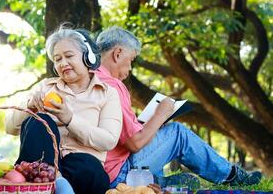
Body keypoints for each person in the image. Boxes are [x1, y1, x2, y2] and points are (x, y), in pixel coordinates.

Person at [94, 26, 262, 189]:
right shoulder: (112, 86)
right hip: (118, 174)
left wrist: (152, 124)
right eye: (131, 60)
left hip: (99, 171)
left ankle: (158, 182)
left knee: (156, 134)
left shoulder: (90, 78)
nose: (130, 68)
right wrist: (161, 113)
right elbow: (135, 143)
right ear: (117, 54)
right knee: (177, 133)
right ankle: (231, 176)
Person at [5, 24, 122, 194]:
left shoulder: (107, 93)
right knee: (39, 121)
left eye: (68, 56)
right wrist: (29, 106)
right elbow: (9, 128)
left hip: (82, 169)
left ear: (87, 56)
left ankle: (58, 184)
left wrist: (70, 119)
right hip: (42, 166)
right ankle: (57, 180)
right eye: (57, 59)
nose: (63, 63)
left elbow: (108, 141)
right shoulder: (45, 87)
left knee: (88, 166)